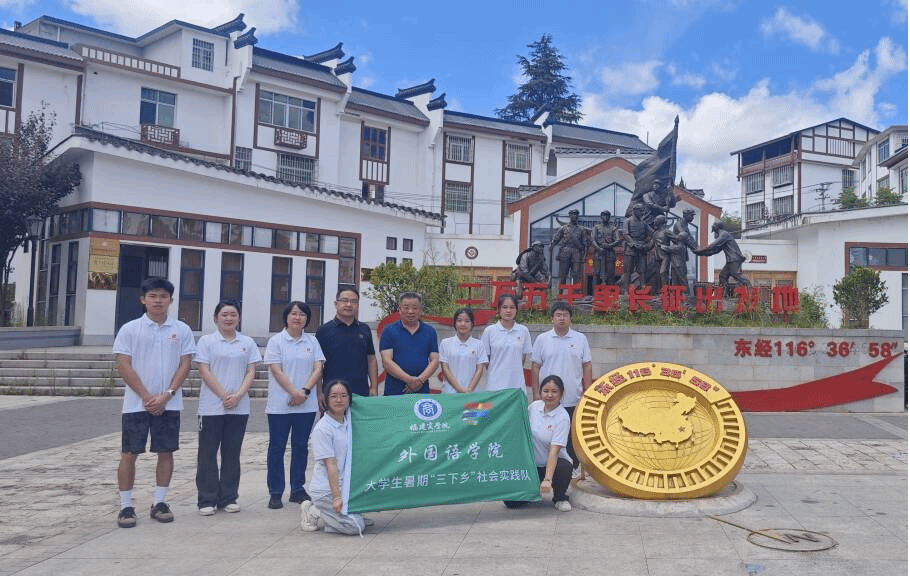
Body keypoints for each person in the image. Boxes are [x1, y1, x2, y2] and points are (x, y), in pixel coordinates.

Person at [112, 277, 196, 528]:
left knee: (165, 451)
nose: (158, 301)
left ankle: (160, 502)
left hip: (169, 403)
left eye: (163, 296)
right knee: (129, 453)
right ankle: (126, 506)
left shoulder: (181, 330)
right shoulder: (130, 329)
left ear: (171, 300)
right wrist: (147, 397)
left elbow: (185, 364)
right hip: (136, 404)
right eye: (153, 296)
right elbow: (123, 365)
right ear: (143, 299)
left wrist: (167, 394)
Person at [194, 299, 262, 516]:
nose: (229, 318)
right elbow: (204, 370)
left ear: (239, 318)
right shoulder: (207, 341)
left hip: (238, 408)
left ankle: (229, 497)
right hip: (212, 407)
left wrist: (238, 395)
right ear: (216, 318)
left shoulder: (247, 342)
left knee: (232, 453)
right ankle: (207, 499)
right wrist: (224, 395)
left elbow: (251, 371)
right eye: (224, 314)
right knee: (207, 454)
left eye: (233, 314)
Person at [263, 301, 324, 509]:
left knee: (301, 447)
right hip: (279, 406)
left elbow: (318, 368)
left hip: (306, 405)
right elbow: (276, 370)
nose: (298, 317)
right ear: (286, 317)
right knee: (277, 448)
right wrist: (294, 393)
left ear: (307, 319)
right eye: (294, 314)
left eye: (302, 314)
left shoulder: (312, 341)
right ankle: (275, 491)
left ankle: (297, 489)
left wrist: (304, 392)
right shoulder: (276, 341)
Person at [530, 301, 592, 474]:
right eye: (558, 315)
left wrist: (587, 392)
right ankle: (546, 467)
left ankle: (572, 467)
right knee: (546, 435)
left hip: (572, 396)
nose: (562, 318)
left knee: (572, 435)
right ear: (552, 318)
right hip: (548, 398)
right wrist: (536, 393)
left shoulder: (580, 339)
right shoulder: (542, 339)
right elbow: (535, 366)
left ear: (570, 318)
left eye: (565, 315)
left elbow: (587, 365)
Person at [300, 379, 366, 535]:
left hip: (346, 485)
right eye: (334, 396)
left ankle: (335, 518)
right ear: (326, 399)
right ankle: (314, 510)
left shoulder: (350, 422)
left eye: (343, 396)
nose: (339, 400)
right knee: (355, 527)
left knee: (363, 519)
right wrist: (336, 498)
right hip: (326, 489)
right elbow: (330, 464)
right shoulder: (323, 429)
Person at [505, 375, 573, 511]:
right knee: (511, 503)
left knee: (564, 466)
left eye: (554, 391)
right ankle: (534, 491)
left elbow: (554, 451)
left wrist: (547, 479)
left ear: (561, 393)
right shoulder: (534, 407)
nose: (549, 395)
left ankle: (560, 498)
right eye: (546, 391)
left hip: (552, 465)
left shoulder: (562, 418)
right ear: (540, 392)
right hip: (531, 466)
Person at [316, 286, 378, 399]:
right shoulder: (323, 330)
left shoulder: (365, 329)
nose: (349, 305)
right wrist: (319, 392)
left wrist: (374, 386)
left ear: (358, 305)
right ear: (336, 304)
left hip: (361, 391)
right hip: (332, 393)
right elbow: (318, 364)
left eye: (353, 301)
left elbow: (371, 358)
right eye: (344, 300)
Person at [379, 292, 439, 395]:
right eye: (406, 308)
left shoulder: (430, 331)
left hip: (422, 389)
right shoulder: (388, 331)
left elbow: (435, 360)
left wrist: (420, 381)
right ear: (400, 310)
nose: (410, 311)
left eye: (414, 308)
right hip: (394, 390)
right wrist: (409, 380)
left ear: (420, 310)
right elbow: (387, 362)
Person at [481, 293, 532, 394]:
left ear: (516, 310)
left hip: (516, 385)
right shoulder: (489, 331)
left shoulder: (523, 331)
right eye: (505, 307)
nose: (508, 311)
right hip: (494, 385)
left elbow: (523, 358)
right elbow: (485, 361)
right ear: (499, 309)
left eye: (512, 307)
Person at [439, 308, 488, 393]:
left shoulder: (479, 344)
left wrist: (469, 389)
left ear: (472, 324)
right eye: (459, 320)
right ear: (455, 323)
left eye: (467, 321)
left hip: (472, 393)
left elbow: (479, 370)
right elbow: (445, 368)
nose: (463, 324)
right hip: (450, 392)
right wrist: (460, 389)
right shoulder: (445, 343)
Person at [694, 221, 752, 293]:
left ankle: (750, 288)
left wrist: (700, 250)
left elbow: (713, 245)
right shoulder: (723, 236)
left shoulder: (724, 234)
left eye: (714, 225)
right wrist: (703, 253)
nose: (712, 226)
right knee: (723, 276)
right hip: (730, 260)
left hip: (734, 259)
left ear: (717, 227)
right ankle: (724, 294)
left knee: (736, 274)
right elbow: (716, 250)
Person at [550, 208, 589, 285]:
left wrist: (584, 255)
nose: (575, 216)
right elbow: (556, 239)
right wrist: (551, 245)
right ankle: (561, 290)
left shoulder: (581, 229)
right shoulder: (564, 228)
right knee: (563, 273)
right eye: (573, 214)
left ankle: (576, 291)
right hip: (565, 251)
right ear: (570, 215)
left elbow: (585, 244)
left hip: (576, 252)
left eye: (576, 214)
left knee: (576, 274)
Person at [619, 202, 653, 290]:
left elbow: (652, 233)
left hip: (641, 249)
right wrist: (633, 243)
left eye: (643, 211)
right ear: (635, 211)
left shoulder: (643, 222)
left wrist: (647, 243)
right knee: (628, 270)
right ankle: (625, 289)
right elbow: (625, 234)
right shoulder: (628, 221)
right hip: (630, 249)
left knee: (642, 270)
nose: (642, 213)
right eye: (641, 211)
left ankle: (643, 288)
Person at [592, 210, 620, 285]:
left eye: (607, 216)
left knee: (610, 273)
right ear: (601, 217)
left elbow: (618, 240)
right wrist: (599, 248)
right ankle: (595, 290)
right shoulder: (596, 227)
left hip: (610, 253)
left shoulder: (613, 228)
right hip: (599, 252)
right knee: (596, 273)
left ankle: (610, 290)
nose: (606, 217)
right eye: (604, 215)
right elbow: (593, 240)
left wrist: (610, 245)